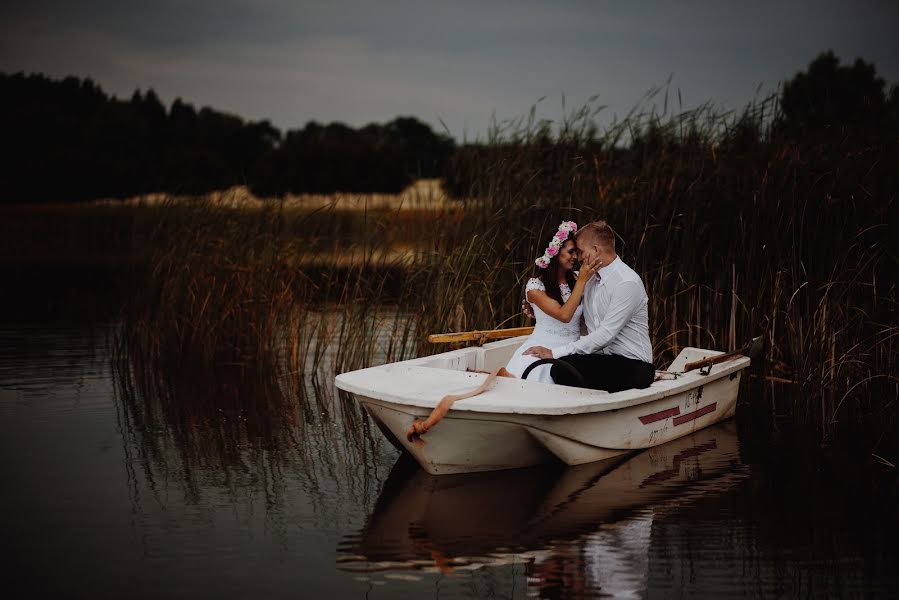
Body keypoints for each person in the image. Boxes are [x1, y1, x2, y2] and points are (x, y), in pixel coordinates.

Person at [523, 220, 654, 392]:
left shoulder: (626, 282)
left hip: (633, 363)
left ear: (596, 250)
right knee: (562, 368)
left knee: (560, 368)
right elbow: (580, 315)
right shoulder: (590, 279)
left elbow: (606, 334)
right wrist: (539, 310)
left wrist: (554, 353)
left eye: (581, 252)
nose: (579, 258)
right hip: (603, 358)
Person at [503, 221, 601, 383]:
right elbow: (564, 315)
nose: (575, 257)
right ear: (555, 253)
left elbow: (585, 318)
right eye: (571, 252)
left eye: (576, 252)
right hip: (542, 346)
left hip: (572, 348)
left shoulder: (577, 278)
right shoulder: (535, 287)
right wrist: (582, 281)